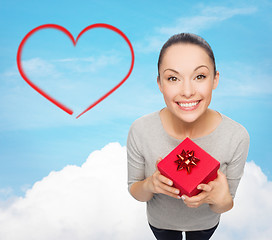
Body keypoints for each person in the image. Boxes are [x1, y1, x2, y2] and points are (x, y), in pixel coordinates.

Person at [127, 33, 250, 240]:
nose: (187, 91)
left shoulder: (236, 136)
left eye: (200, 76)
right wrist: (151, 184)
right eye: (173, 78)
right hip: (160, 222)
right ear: (160, 83)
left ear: (215, 79)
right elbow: (136, 190)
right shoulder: (140, 130)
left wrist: (218, 198)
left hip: (205, 224)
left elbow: (227, 204)